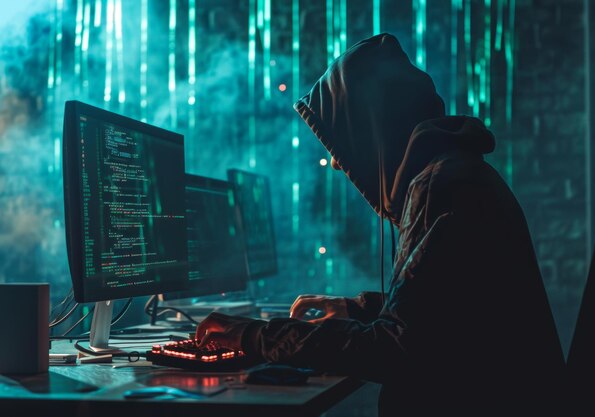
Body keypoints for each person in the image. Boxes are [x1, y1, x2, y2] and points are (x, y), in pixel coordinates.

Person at [196, 33, 565, 416]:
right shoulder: (459, 174)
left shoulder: (441, 188)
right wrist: (356, 309)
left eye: (343, 145)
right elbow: (442, 317)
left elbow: (396, 347)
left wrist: (254, 336)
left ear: (375, 128)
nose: (338, 164)